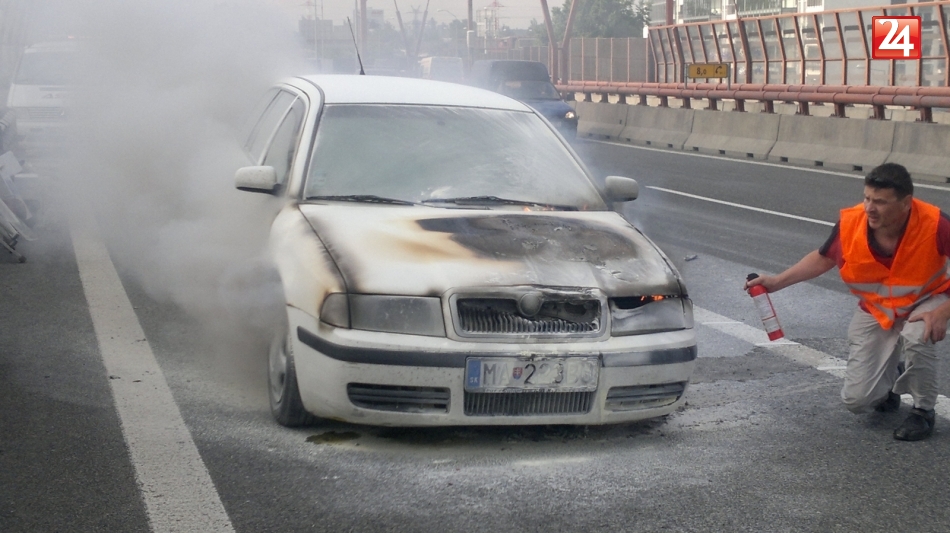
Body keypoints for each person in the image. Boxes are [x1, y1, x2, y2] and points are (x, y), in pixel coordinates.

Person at [745, 163, 950, 441]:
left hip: (927, 299)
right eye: (867, 198)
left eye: (880, 202)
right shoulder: (852, 223)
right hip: (879, 309)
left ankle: (923, 411)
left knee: (917, 335)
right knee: (858, 401)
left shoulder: (935, 224)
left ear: (906, 203)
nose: (870, 208)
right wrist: (776, 282)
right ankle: (891, 375)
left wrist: (943, 312)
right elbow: (824, 258)